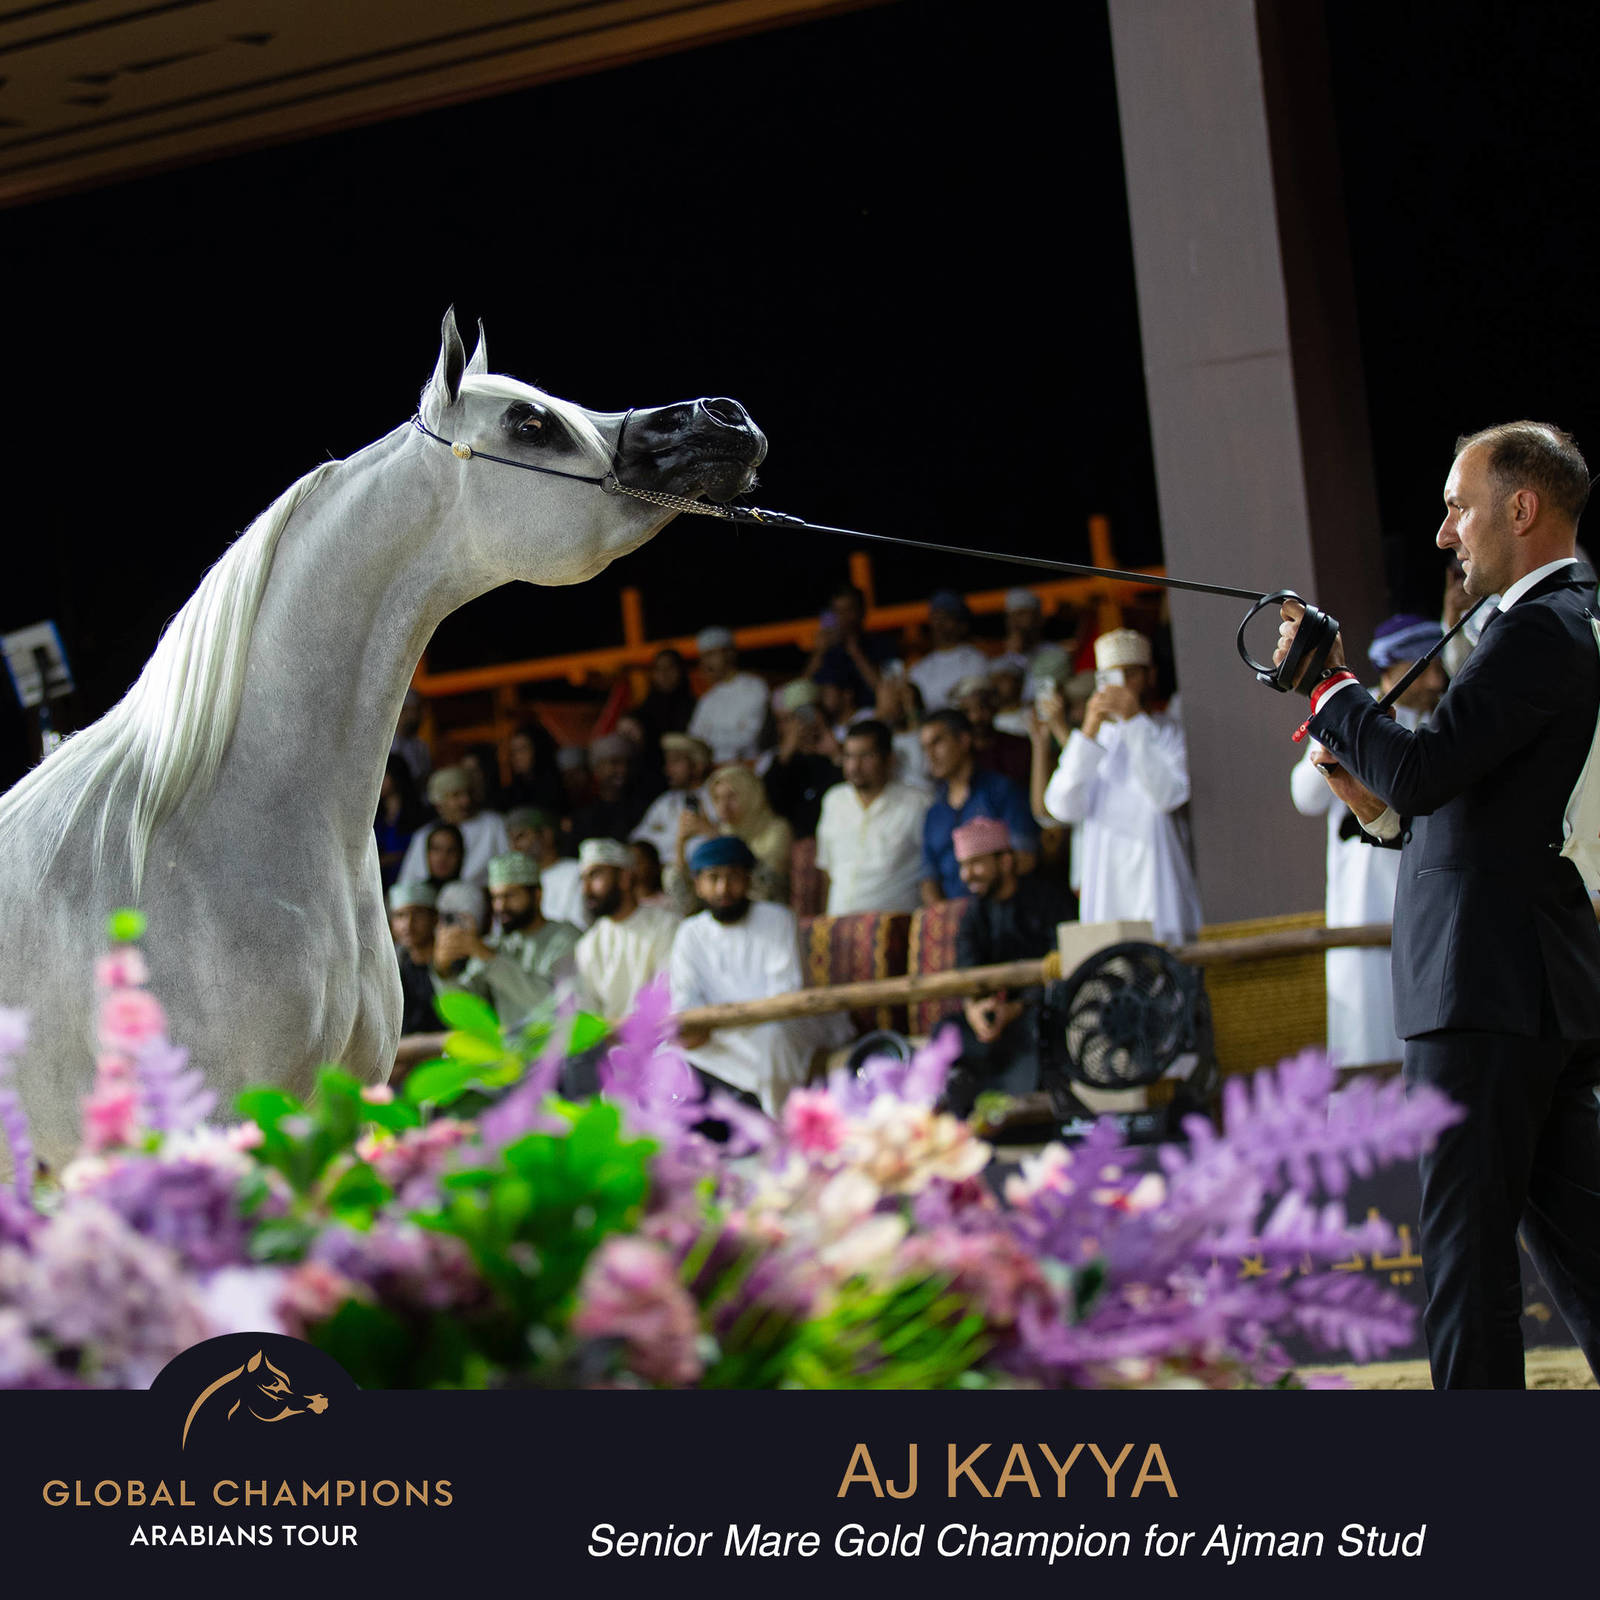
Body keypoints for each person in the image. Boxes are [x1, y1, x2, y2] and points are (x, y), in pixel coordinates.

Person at [1279, 420, 1600, 1389]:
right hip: (1532, 985)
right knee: (1582, 1255)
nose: (1443, 532)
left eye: (1457, 506)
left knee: (1465, 1265)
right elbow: (1477, 805)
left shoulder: (1539, 628)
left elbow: (1419, 768)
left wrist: (1327, 684)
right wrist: (1378, 820)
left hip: (1482, 988)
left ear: (1521, 507)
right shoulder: (1563, 620)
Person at [1290, 613, 1445, 1068]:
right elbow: (1304, 797)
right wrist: (1338, 750)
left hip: (1420, 890)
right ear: (1395, 668)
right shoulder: (1354, 712)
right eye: (1425, 666)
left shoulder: (1441, 719)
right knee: (1366, 1014)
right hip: (1361, 898)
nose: (1437, 679)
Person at [1040, 628, 1202, 944]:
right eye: (1110, 677)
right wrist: (1088, 730)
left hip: (1158, 883)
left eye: (1129, 674)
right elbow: (1060, 806)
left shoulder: (1169, 732)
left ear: (1149, 676)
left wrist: (1133, 721)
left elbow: (1167, 795)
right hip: (1107, 887)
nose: (1120, 685)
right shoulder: (1095, 740)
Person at [670, 835, 849, 1115]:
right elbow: (686, 999)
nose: (723, 888)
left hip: (780, 1022)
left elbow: (785, 996)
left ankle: (781, 1125)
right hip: (718, 1035)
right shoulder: (689, 934)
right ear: (698, 885)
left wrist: (721, 1021)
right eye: (713, 878)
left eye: (733, 877)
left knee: (774, 1038)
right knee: (664, 1056)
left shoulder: (777, 919)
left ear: (748, 879)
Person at [943, 817, 1075, 1116]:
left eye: (976, 864)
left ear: (1005, 861)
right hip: (992, 1017)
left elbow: (1062, 962)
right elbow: (966, 969)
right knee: (948, 1031)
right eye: (964, 865)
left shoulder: (1047, 899)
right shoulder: (974, 912)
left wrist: (1019, 1007)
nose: (967, 875)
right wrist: (974, 1009)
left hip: (1039, 1010)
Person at [431, 852, 580, 1030]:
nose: (500, 906)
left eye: (510, 896)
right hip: (509, 1055)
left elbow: (551, 1004)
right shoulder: (497, 944)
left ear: (537, 895)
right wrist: (444, 972)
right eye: (495, 897)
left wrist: (489, 958)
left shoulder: (566, 937)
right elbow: (466, 1015)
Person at [919, 708, 1038, 903]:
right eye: (925, 747)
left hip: (1000, 910)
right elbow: (928, 878)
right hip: (954, 918)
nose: (930, 755)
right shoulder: (934, 811)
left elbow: (1026, 858)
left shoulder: (1001, 791)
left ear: (964, 740)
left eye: (937, 742)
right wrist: (943, 915)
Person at [814, 719, 929, 914]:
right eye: (849, 756)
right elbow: (827, 870)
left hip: (894, 929)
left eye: (865, 756)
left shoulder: (918, 804)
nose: (854, 766)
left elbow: (930, 874)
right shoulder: (834, 800)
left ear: (889, 759)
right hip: (839, 927)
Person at [572, 838, 681, 1022]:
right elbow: (588, 1013)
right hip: (610, 1045)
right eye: (583, 879)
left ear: (624, 878)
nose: (586, 889)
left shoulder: (666, 926)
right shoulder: (588, 944)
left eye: (595, 875)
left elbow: (667, 997)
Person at [678, 763, 794, 907]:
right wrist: (680, 843)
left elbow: (764, 881)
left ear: (751, 795)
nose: (723, 806)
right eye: (717, 798)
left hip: (765, 908)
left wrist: (715, 837)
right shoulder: (724, 830)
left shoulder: (777, 829)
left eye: (731, 797)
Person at [396, 765, 509, 887]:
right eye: (456, 795)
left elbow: (507, 870)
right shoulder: (424, 834)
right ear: (439, 803)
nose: (466, 801)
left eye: (468, 793)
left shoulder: (494, 824)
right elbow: (407, 884)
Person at [761, 680, 842, 841]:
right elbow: (771, 803)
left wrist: (836, 755)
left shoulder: (839, 751)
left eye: (808, 713)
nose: (804, 722)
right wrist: (786, 752)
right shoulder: (781, 761)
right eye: (793, 717)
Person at [687, 626, 769, 763]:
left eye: (711, 654)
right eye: (703, 657)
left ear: (730, 653)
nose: (706, 663)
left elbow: (749, 740)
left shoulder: (754, 687)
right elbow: (694, 741)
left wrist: (710, 736)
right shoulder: (707, 699)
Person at [631, 733, 717, 863]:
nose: (667, 769)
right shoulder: (667, 801)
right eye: (668, 762)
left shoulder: (717, 796)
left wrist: (707, 830)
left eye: (675, 762)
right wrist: (677, 838)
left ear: (698, 765)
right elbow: (639, 841)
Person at [802, 581, 888, 709]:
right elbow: (801, 692)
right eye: (837, 612)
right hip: (833, 723)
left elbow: (885, 693)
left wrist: (855, 652)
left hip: (873, 714)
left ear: (862, 611)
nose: (843, 618)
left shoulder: (881, 644)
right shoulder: (827, 652)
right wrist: (818, 653)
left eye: (848, 611)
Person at [506, 806, 588, 930]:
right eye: (511, 840)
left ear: (546, 835)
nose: (514, 847)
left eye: (521, 837)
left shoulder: (575, 872)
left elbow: (578, 927)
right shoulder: (515, 882)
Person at [908, 590, 990, 713]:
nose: (939, 624)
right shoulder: (919, 669)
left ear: (962, 624)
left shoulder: (976, 659)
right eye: (935, 618)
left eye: (946, 618)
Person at [952, 674, 1032, 791]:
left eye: (982, 707)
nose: (976, 717)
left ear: (994, 707)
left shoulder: (1021, 747)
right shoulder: (957, 756)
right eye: (967, 711)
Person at [565, 732, 644, 846]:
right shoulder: (583, 816)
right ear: (597, 767)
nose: (623, 770)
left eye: (628, 763)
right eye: (614, 763)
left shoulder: (643, 809)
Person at [387, 880, 441, 1036]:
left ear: (434, 918)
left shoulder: (453, 967)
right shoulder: (397, 970)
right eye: (400, 916)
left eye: (418, 914)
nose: (408, 924)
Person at [375, 753, 424, 889]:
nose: (377, 779)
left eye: (383, 773)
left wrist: (385, 860)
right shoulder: (376, 815)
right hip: (380, 884)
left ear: (396, 776)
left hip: (408, 884)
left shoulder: (417, 814)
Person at [634, 647, 698, 749]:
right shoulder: (644, 712)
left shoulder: (696, 707)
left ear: (681, 670)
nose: (664, 674)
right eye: (658, 668)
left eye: (670, 667)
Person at [502, 721, 566, 815]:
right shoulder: (511, 793)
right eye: (513, 752)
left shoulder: (557, 789)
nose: (517, 757)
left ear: (537, 749)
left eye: (522, 749)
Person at [390, 688, 432, 786]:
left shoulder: (421, 746)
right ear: (401, 711)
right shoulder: (387, 745)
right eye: (414, 710)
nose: (418, 716)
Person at [414, 821, 464, 894]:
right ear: (427, 854)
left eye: (450, 851)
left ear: (460, 855)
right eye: (436, 849)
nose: (442, 858)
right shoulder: (414, 894)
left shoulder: (468, 894)